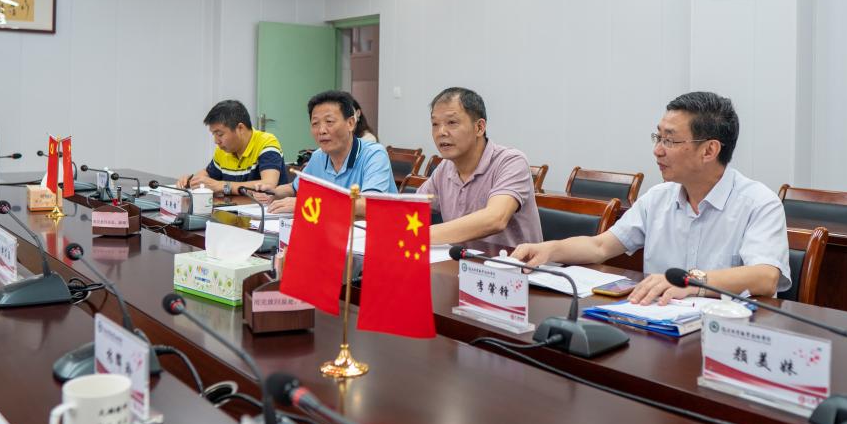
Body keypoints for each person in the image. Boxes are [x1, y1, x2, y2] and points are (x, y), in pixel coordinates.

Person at [511, 91, 790, 305]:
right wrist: (549, 250)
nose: (657, 150)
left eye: (669, 140)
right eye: (658, 137)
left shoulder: (758, 203)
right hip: (659, 323)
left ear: (709, 150)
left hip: (725, 336)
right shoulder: (658, 198)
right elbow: (600, 246)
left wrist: (692, 282)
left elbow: (766, 277)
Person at [417, 87, 542, 247]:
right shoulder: (444, 169)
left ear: (479, 127)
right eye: (435, 124)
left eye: (452, 122)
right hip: (460, 262)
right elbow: (410, 209)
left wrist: (420, 234)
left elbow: (495, 219)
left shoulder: (511, 161)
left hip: (513, 262)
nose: (441, 132)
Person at [263, 90, 396, 213]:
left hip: (376, 229)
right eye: (315, 123)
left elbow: (369, 204)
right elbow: (295, 188)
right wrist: (273, 192)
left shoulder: (374, 154)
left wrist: (308, 203)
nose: (322, 130)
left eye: (329, 121)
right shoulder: (318, 156)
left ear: (350, 123)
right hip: (336, 227)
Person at [177, 100, 289, 197]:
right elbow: (207, 174)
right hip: (235, 209)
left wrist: (222, 186)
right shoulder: (223, 150)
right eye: (214, 134)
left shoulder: (266, 142)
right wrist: (193, 180)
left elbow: (268, 184)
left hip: (266, 211)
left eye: (220, 134)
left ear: (240, 128)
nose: (216, 141)